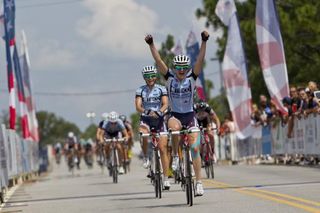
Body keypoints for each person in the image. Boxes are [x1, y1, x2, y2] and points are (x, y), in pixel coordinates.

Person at [145, 30, 209, 196]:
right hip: (175, 116)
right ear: (175, 68)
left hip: (190, 115)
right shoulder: (169, 78)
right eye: (178, 68)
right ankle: (174, 155)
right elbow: (158, 61)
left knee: (195, 149)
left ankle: (199, 182)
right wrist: (151, 44)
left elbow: (200, 60)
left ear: (187, 68)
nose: (181, 70)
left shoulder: (192, 78)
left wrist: (204, 42)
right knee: (173, 129)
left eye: (184, 68)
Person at [135, 65, 170, 189]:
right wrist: (146, 111)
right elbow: (138, 106)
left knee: (163, 148)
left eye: (152, 76)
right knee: (143, 134)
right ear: (144, 78)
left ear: (155, 76)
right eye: (147, 76)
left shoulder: (161, 89)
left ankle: (166, 178)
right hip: (146, 119)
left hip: (159, 119)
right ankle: (145, 157)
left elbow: (166, 103)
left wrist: (159, 111)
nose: (150, 78)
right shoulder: (140, 90)